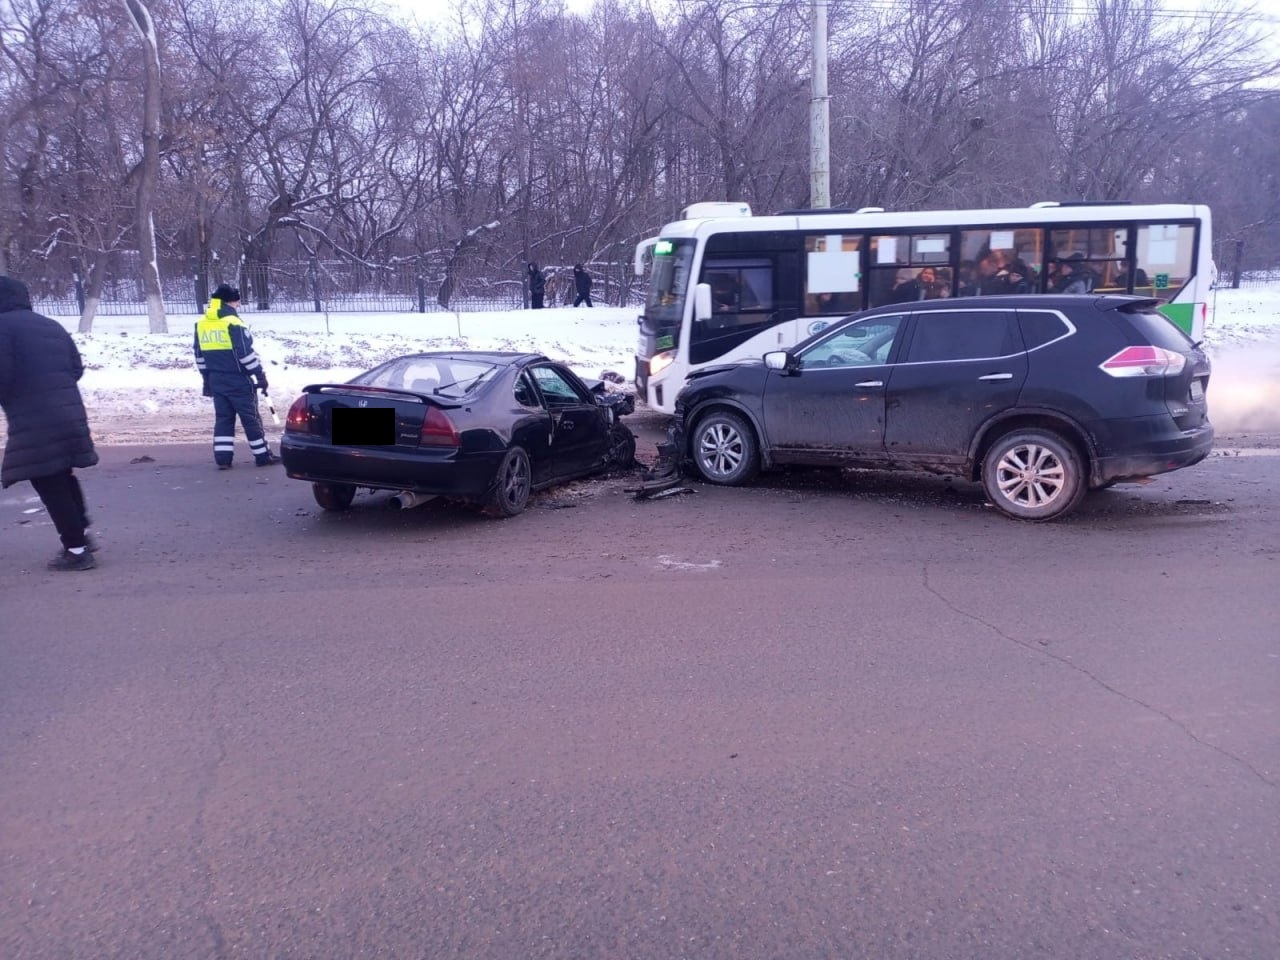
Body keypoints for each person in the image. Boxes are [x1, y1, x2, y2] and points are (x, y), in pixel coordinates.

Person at [0, 275, 99, 571]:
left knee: (46, 477)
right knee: (60, 473)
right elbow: (76, 368)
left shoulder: (2, 329)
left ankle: (77, 550)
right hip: (67, 411)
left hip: (34, 417)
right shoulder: (50, 325)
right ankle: (81, 533)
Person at [194, 283, 279, 469]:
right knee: (251, 418)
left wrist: (206, 379)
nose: (238, 305)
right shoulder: (234, 323)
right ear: (229, 302)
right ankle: (262, 456)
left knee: (223, 419)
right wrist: (259, 375)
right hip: (238, 380)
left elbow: (199, 356)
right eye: (237, 301)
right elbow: (245, 354)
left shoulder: (202, 324)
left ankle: (223, 459)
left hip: (216, 380)